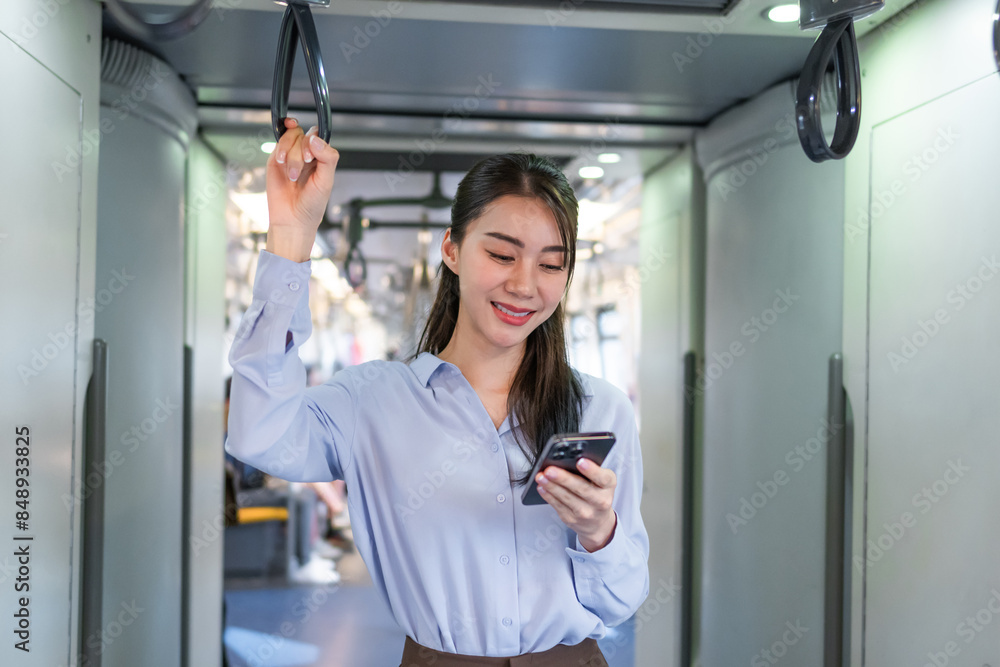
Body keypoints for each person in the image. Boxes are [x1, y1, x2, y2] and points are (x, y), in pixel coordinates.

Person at [226, 118, 650, 666]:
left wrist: (600, 531)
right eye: (501, 255)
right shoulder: (373, 402)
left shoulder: (601, 408)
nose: (524, 285)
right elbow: (258, 434)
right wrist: (290, 241)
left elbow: (622, 599)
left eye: (550, 264)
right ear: (452, 249)